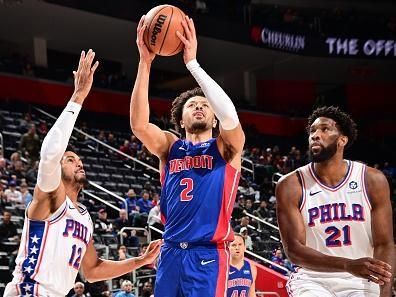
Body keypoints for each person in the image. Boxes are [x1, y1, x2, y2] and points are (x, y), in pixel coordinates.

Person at [4, 49, 162, 297]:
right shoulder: (50, 198)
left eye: (79, 159)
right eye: (70, 159)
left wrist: (140, 261)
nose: (78, 163)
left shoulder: (85, 217)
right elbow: (50, 153)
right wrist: (78, 96)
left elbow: (92, 270)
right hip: (29, 291)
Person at [130, 14, 245, 297]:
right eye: (192, 104)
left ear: (214, 119)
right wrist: (145, 63)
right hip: (170, 251)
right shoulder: (171, 147)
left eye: (205, 105)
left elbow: (230, 116)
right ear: (180, 120)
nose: (199, 107)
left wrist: (192, 64)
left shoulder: (226, 148)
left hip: (207, 254)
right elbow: (139, 126)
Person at [276, 106, 394, 297]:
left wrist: (386, 291)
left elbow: (384, 243)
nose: (315, 135)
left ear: (342, 140)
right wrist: (347, 265)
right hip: (313, 279)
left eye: (324, 129)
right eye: (312, 131)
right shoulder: (291, 185)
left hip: (362, 279)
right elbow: (294, 250)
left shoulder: (371, 180)